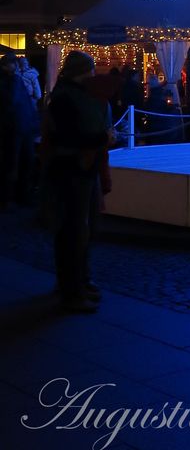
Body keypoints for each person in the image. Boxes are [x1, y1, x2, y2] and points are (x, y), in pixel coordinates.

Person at [43, 50, 111, 313]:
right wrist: (101, 139)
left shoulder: (71, 95)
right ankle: (72, 289)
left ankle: (78, 281)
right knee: (74, 230)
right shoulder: (65, 98)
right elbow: (71, 137)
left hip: (82, 167)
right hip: (73, 168)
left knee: (80, 228)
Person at [0, 52, 38, 206]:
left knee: (20, 161)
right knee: (17, 162)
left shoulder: (13, 80)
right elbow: (13, 101)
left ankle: (15, 196)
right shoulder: (12, 80)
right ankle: (13, 196)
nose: (16, 66)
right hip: (17, 127)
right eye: (13, 63)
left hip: (18, 126)